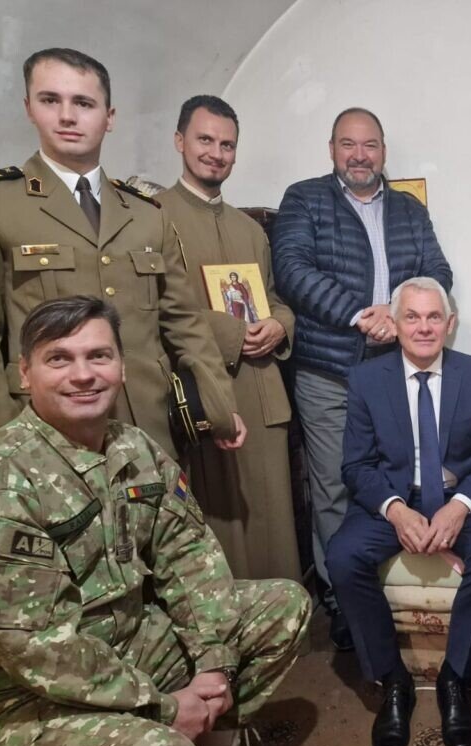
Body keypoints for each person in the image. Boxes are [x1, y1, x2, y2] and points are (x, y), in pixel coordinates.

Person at [0, 296, 310, 746]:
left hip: (130, 644)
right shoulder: (0, 477)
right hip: (24, 696)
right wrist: (163, 707)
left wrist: (213, 665)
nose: (83, 374)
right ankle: (171, 742)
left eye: (99, 355)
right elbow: (36, 649)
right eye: (59, 359)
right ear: (25, 373)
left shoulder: (134, 447)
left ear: (121, 367)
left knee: (283, 607)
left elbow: (189, 556)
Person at [0, 47, 244, 455]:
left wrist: (220, 404)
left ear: (109, 117)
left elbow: (183, 322)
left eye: (83, 103)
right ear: (29, 108)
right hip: (45, 430)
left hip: (148, 424)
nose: (67, 116)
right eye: (50, 100)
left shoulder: (145, 213)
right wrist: (1, 441)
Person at [272, 107, 453, 648]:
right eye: (348, 144)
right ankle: (344, 599)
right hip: (327, 370)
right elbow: (293, 271)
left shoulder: (408, 209)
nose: (359, 155)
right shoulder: (305, 199)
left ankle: (389, 587)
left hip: (394, 370)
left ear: (383, 152)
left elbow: (437, 273)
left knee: (393, 477)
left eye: (370, 145)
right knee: (333, 485)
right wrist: (359, 315)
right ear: (332, 149)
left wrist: (397, 313)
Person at [328, 277, 471, 746]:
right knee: (342, 557)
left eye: (434, 317)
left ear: (450, 324)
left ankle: (456, 676)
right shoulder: (367, 379)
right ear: (395, 324)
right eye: (412, 317)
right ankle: (393, 681)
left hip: (459, 494)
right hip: (396, 495)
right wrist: (394, 509)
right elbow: (356, 465)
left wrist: (460, 505)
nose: (424, 327)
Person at [157, 96, 300, 582]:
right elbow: (158, 308)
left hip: (263, 391)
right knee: (218, 526)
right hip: (204, 392)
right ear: (180, 141)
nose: (216, 153)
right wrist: (236, 333)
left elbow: (275, 300)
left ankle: (281, 619)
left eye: (227, 145)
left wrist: (280, 325)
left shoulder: (249, 229)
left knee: (274, 523)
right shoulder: (155, 216)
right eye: (205, 140)